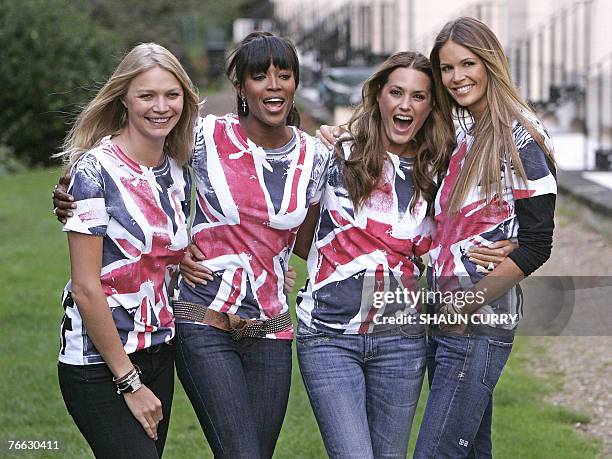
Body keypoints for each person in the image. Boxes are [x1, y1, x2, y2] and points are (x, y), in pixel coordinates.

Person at [412, 16, 557, 458]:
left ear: (491, 62)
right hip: (446, 316)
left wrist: (464, 304)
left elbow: (537, 243)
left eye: (467, 64)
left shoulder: (519, 135)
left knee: (437, 452)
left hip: (477, 320)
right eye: (446, 68)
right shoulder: (464, 135)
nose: (457, 78)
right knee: (472, 452)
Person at [55, 42, 199, 458]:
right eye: (147, 95)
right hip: (100, 363)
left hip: (157, 352)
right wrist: (129, 381)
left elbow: (154, 247)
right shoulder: (93, 171)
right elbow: (85, 287)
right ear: (124, 99)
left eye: (171, 95)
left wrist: (180, 257)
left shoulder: (175, 169)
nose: (161, 107)